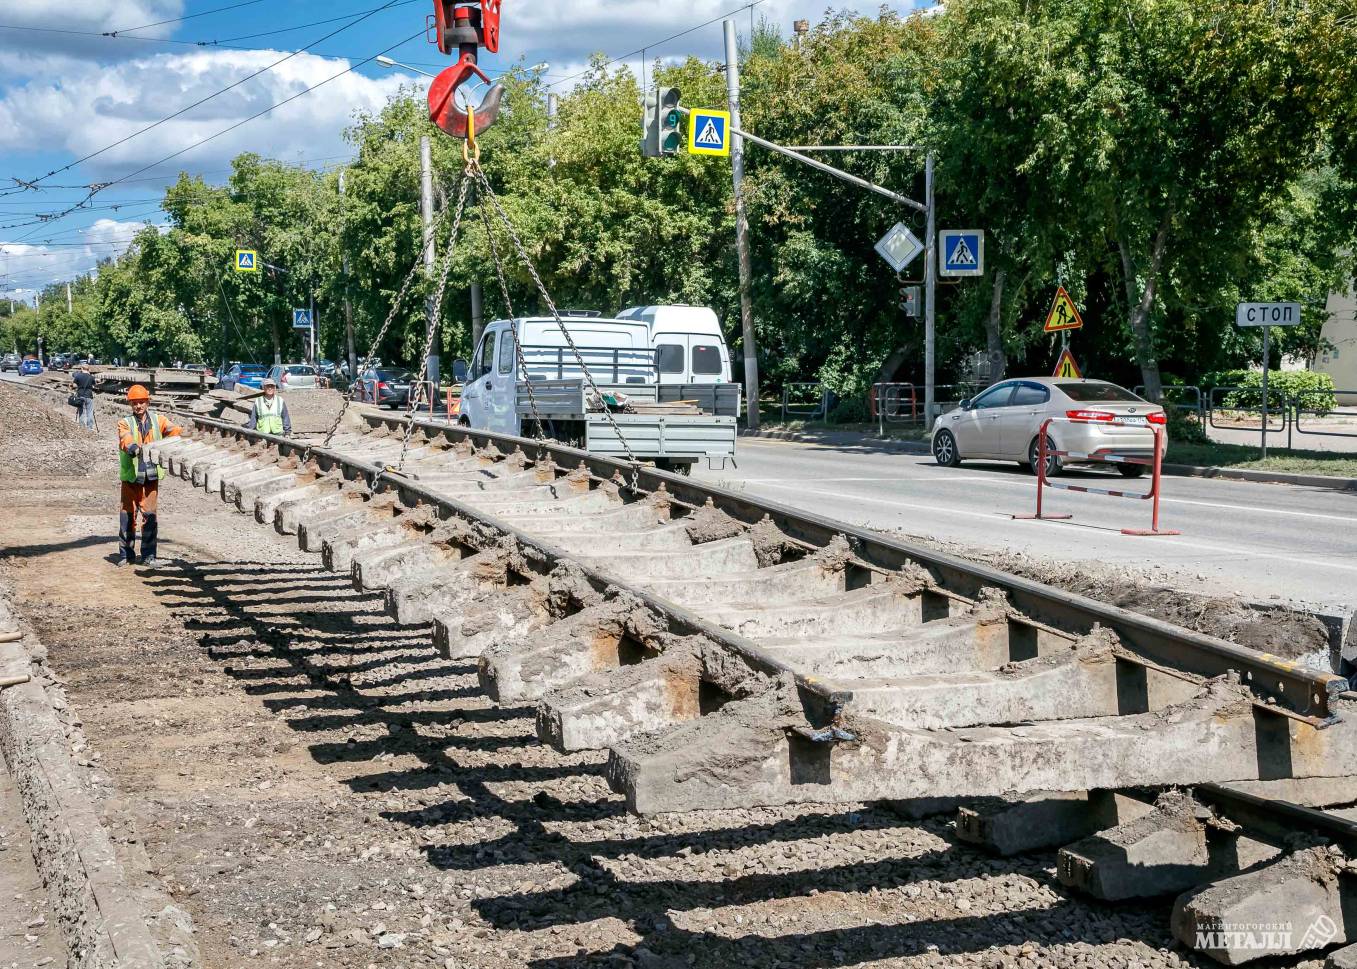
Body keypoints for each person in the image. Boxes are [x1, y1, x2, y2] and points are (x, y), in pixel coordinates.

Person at [116, 385, 183, 568]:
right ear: (130, 404)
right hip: (131, 478)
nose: (138, 406)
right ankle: (126, 555)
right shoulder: (125, 422)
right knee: (127, 517)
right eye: (135, 403)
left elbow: (173, 429)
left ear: (148, 402)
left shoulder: (158, 420)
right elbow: (125, 438)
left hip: (150, 477)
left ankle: (148, 556)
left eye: (141, 402)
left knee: (150, 517)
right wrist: (132, 447)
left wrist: (184, 434)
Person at [71, 364, 95, 430]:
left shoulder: (78, 376)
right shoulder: (91, 377)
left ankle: (82, 427)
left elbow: (74, 386)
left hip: (80, 395)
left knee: (81, 411)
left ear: (82, 368)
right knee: (89, 412)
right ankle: (89, 428)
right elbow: (93, 385)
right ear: (88, 369)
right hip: (89, 395)